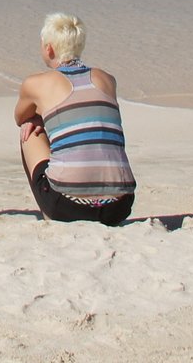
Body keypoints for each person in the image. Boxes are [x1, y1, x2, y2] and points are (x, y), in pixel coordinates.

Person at [12, 12, 135, 225]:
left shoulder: (36, 84)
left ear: (49, 48)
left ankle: (49, 213)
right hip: (119, 206)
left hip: (67, 205)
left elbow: (20, 116)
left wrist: (38, 119)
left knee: (28, 129)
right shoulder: (107, 79)